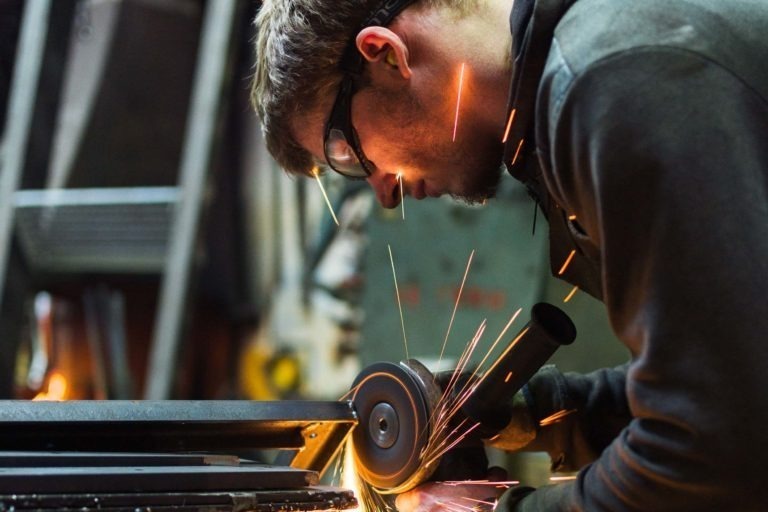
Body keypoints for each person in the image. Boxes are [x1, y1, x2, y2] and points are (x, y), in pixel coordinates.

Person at [251, 0, 768, 510]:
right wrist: (533, 413)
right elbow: (713, 382)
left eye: (348, 152)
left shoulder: (612, 80)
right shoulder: (579, 76)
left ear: (386, 55)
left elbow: (715, 446)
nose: (385, 191)